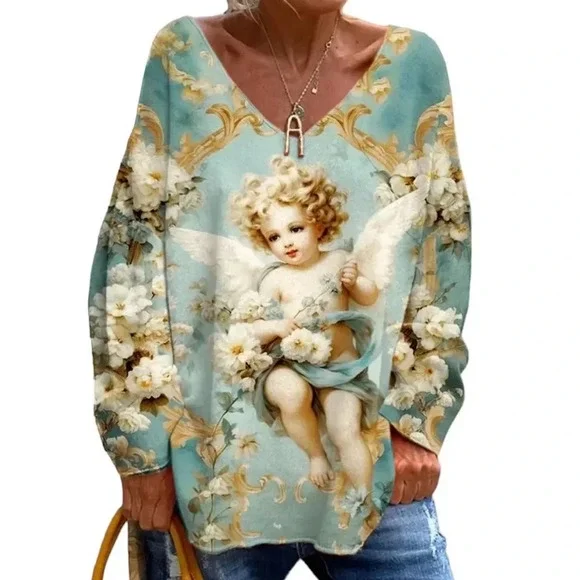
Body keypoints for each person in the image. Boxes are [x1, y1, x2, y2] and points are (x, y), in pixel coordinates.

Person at [87, 1, 472, 578]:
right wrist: (139, 451)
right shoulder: (183, 57)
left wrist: (418, 421)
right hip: (207, 479)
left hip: (375, 464)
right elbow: (132, 253)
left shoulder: (412, 65)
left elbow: (443, 244)